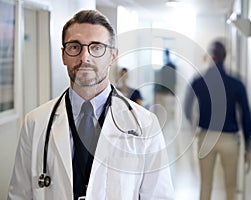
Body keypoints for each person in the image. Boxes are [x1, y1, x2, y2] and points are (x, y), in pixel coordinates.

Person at [8, 10, 174, 200]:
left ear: (112, 56)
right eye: (74, 47)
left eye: (96, 47)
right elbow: (19, 196)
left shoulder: (145, 124)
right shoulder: (35, 123)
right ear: (63, 55)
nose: (84, 57)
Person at [184, 40, 251, 200]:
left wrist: (196, 126)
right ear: (225, 57)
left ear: (210, 57)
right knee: (230, 186)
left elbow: (187, 108)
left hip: (206, 137)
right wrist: (248, 144)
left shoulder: (198, 81)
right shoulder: (236, 84)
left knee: (206, 184)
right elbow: (246, 115)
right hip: (229, 140)